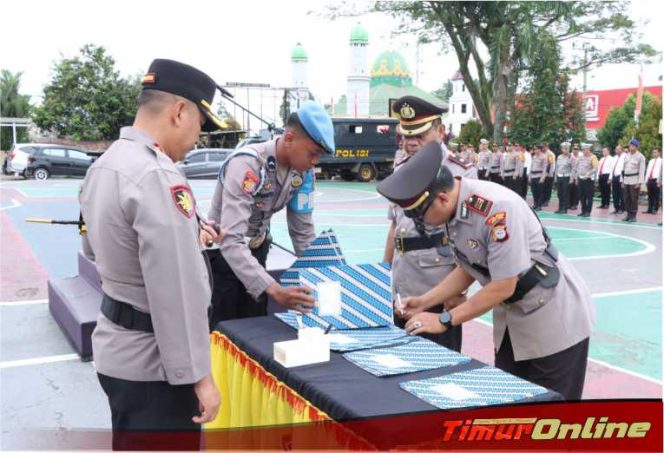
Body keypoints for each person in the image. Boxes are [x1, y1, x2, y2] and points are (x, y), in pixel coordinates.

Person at [376, 142, 595, 401]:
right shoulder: (455, 210)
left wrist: (444, 320)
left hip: (554, 320)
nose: (417, 223)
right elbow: (468, 267)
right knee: (511, 409)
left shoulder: (497, 209)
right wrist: (424, 301)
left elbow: (503, 285)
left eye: (419, 215)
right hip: (514, 321)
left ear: (442, 198)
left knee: (550, 420)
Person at [80, 59, 225, 449]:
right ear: (180, 112)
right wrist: (199, 376)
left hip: (116, 352)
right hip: (154, 368)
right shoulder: (158, 176)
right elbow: (176, 288)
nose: (199, 138)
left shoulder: (105, 165)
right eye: (200, 125)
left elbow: (90, 247)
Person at [204, 101, 334, 326]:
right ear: (290, 137)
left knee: (255, 329)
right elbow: (230, 239)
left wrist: (326, 279)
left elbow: (302, 232)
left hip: (256, 253)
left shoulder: (303, 173)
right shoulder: (248, 165)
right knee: (223, 332)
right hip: (222, 260)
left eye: (319, 156)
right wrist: (274, 289)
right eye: (313, 153)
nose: (315, 162)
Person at [383, 95, 476, 351]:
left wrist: (457, 291)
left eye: (420, 135)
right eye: (406, 135)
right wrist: (383, 273)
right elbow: (395, 226)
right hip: (402, 280)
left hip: (438, 282)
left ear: (441, 131)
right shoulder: (401, 165)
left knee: (436, 362)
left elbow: (469, 237)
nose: (411, 143)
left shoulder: (460, 171)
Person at [622, 138, 646, 222]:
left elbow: (642, 170)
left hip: (634, 180)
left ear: (636, 146)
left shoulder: (640, 156)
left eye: (632, 145)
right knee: (626, 198)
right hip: (626, 179)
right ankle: (628, 214)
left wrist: (639, 182)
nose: (630, 147)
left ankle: (633, 215)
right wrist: (622, 180)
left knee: (633, 198)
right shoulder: (627, 155)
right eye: (630, 145)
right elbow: (623, 168)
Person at [577, 145, 598, 217]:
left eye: (584, 149)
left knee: (589, 197)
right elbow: (578, 167)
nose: (583, 151)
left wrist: (588, 174)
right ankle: (583, 211)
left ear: (588, 150)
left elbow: (595, 168)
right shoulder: (581, 157)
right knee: (581, 196)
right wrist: (577, 177)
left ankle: (588, 212)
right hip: (581, 178)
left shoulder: (593, 157)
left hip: (588, 179)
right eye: (582, 150)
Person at [554, 142, 573, 214]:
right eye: (564, 148)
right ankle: (560, 207)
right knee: (559, 193)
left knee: (565, 193)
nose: (566, 150)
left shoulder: (571, 157)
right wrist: (555, 177)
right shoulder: (559, 157)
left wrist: (571, 178)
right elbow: (557, 167)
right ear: (562, 149)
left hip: (566, 177)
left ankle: (564, 209)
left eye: (567, 148)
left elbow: (573, 168)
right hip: (559, 176)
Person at [644, 148, 662, 214]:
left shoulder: (661, 161)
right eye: (653, 152)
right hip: (650, 179)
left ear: (659, 153)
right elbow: (648, 171)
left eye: (656, 152)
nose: (654, 154)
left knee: (656, 196)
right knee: (650, 195)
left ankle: (655, 209)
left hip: (656, 180)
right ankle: (649, 209)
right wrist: (646, 180)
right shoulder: (651, 161)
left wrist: (660, 181)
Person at [529, 145, 547, 210]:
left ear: (540, 149)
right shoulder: (534, 157)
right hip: (533, 175)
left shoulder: (544, 157)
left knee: (540, 192)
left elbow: (545, 169)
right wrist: (529, 177)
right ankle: (535, 204)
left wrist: (542, 178)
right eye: (534, 149)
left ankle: (539, 205)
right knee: (534, 191)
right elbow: (531, 167)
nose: (535, 150)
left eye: (536, 149)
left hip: (539, 176)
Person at [610, 144, 626, 215]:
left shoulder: (625, 156)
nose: (616, 150)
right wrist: (610, 178)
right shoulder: (615, 157)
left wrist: (623, 180)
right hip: (614, 177)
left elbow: (624, 169)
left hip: (621, 177)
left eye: (618, 149)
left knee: (621, 194)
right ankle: (616, 208)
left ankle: (622, 209)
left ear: (622, 149)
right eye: (616, 149)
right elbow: (612, 168)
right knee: (614, 194)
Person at [569, 145, 581, 211]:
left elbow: (580, 168)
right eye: (574, 149)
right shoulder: (570, 156)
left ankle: (575, 204)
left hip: (577, 176)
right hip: (570, 176)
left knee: (576, 191)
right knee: (570, 190)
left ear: (578, 150)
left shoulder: (581, 157)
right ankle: (570, 203)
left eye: (576, 149)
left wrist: (577, 178)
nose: (575, 151)